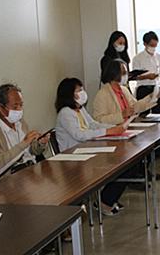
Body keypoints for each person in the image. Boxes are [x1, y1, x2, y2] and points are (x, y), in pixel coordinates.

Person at [55, 77, 129, 215]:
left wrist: (115, 128)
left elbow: (93, 124)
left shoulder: (79, 109)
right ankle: (105, 200)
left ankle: (107, 199)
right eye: (79, 90)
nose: (82, 93)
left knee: (123, 162)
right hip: (74, 157)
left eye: (82, 89)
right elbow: (79, 135)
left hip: (87, 150)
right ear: (69, 94)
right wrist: (108, 131)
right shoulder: (65, 112)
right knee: (117, 163)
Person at [0, 84, 49, 171]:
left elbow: (32, 151)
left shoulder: (21, 123)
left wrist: (41, 144)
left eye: (21, 105)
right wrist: (24, 143)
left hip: (32, 169)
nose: (19, 110)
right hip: (11, 177)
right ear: (0, 107)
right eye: (15, 106)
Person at [93, 58, 157, 125]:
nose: (126, 76)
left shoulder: (124, 90)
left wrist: (151, 97)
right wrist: (122, 115)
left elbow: (135, 107)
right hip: (115, 130)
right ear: (114, 73)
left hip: (129, 127)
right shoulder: (102, 94)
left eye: (126, 73)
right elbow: (99, 120)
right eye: (124, 73)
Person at [132, 31, 160, 114]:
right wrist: (147, 76)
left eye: (155, 45)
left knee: (159, 114)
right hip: (143, 89)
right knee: (143, 114)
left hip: (156, 88)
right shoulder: (138, 58)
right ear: (145, 44)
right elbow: (135, 77)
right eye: (151, 45)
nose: (154, 47)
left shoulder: (158, 57)